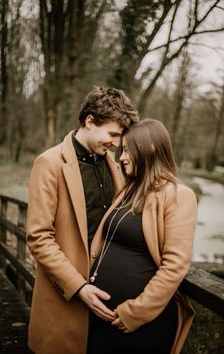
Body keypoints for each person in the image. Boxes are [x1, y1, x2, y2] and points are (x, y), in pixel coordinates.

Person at [26, 86, 139, 354]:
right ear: (90, 121)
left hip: (107, 304)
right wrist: (78, 287)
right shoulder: (49, 163)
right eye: (112, 133)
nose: (116, 142)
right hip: (66, 298)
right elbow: (38, 237)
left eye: (120, 136)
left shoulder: (113, 164)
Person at [88, 119, 197, 354]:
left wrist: (135, 313)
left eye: (127, 150)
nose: (121, 157)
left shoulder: (179, 195)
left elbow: (174, 266)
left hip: (138, 327)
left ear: (149, 149)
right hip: (100, 318)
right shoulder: (129, 190)